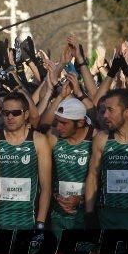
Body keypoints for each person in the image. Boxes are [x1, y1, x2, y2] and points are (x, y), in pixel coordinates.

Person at [0, 92, 52, 254]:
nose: (10, 117)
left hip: (29, 220)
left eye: (15, 113)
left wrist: (41, 224)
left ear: (26, 114)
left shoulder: (38, 140)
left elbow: (45, 187)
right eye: (5, 113)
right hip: (2, 220)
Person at [85, 89, 128, 230]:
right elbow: (93, 176)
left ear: (127, 112)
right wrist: (89, 213)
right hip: (108, 215)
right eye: (104, 110)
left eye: (110, 110)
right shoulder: (101, 139)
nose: (105, 115)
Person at [46, 98, 93, 245]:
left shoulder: (95, 138)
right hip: (59, 213)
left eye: (64, 123)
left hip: (86, 213)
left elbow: (101, 178)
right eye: (57, 121)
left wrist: (81, 198)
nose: (58, 127)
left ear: (79, 122)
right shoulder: (53, 137)